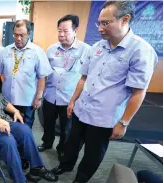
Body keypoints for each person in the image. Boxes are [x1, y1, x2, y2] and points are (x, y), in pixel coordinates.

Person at [51, 2, 158, 183]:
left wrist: (123, 122)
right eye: (98, 23)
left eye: (106, 23)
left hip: (103, 118)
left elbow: (138, 93)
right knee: (72, 143)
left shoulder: (140, 51)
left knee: (93, 153)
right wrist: (72, 101)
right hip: (81, 109)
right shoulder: (97, 47)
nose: (100, 28)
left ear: (125, 19)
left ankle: (81, 178)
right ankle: (65, 165)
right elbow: (83, 78)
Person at [38, 15, 91, 157]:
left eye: (65, 31)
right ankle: (47, 142)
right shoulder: (51, 49)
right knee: (47, 123)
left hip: (69, 98)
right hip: (50, 95)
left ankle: (62, 149)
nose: (61, 34)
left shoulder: (86, 50)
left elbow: (87, 77)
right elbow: (44, 72)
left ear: (75, 30)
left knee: (66, 128)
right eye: (59, 31)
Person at [0, 19, 53, 128]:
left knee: (25, 130)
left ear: (29, 34)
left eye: (22, 35)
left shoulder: (37, 52)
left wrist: (39, 98)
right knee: (7, 128)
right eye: (16, 35)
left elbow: (42, 77)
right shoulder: (6, 51)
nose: (18, 38)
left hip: (27, 101)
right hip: (7, 101)